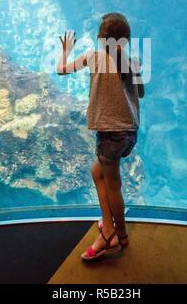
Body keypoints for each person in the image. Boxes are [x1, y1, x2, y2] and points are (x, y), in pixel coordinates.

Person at [57, 13, 144, 261]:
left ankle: (116, 236)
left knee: (114, 187)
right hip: (129, 134)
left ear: (99, 38)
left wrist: (66, 50)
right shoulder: (133, 62)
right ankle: (108, 224)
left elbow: (61, 70)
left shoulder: (94, 57)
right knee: (98, 173)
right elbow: (141, 93)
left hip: (110, 135)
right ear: (126, 40)